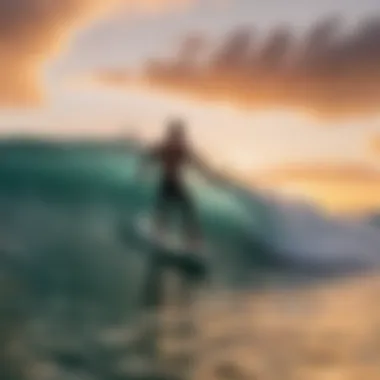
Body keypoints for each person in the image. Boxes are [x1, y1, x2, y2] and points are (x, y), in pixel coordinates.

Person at [139, 118, 223, 250]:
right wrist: (144, 169)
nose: (179, 136)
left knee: (187, 209)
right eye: (176, 133)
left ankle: (192, 240)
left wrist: (209, 175)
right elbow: (150, 157)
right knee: (165, 210)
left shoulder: (181, 149)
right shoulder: (165, 147)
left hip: (177, 184)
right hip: (166, 183)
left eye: (179, 134)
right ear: (172, 133)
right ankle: (159, 234)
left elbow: (197, 163)